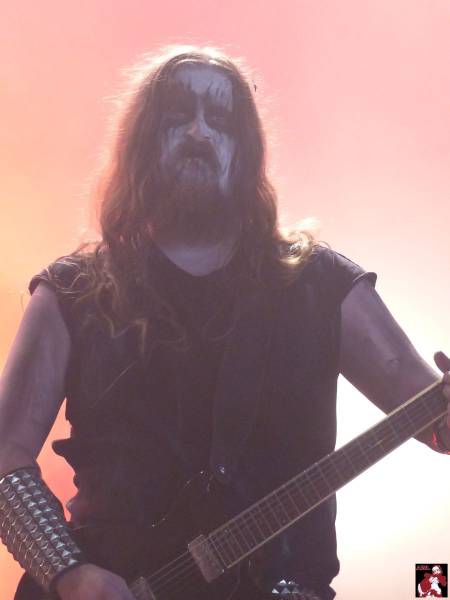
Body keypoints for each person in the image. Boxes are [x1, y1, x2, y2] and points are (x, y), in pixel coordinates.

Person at [0, 45, 449, 600]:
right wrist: (70, 573)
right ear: (141, 145)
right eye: (177, 115)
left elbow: (434, 418)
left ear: (247, 150)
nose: (199, 132)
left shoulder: (321, 284)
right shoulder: (73, 291)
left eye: (221, 119)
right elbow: (7, 455)